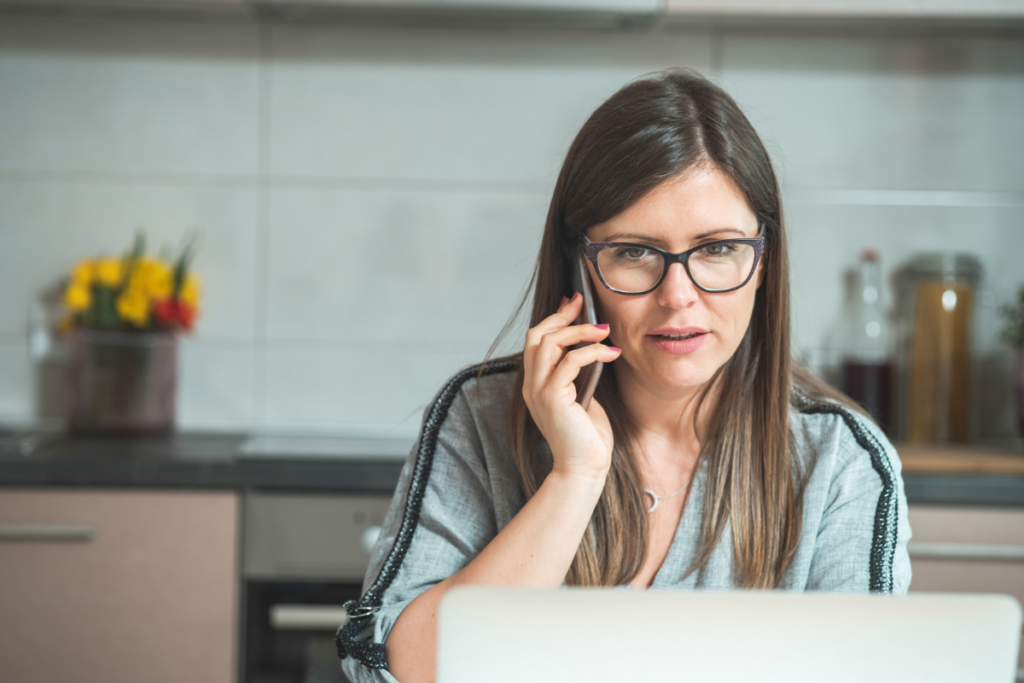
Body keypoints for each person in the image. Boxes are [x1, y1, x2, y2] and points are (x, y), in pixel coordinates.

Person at [338, 69, 912, 683]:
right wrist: (574, 476)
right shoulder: (479, 416)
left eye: (717, 249)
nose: (678, 297)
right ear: (579, 270)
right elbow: (387, 670)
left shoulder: (841, 462)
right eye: (635, 251)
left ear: (764, 260)